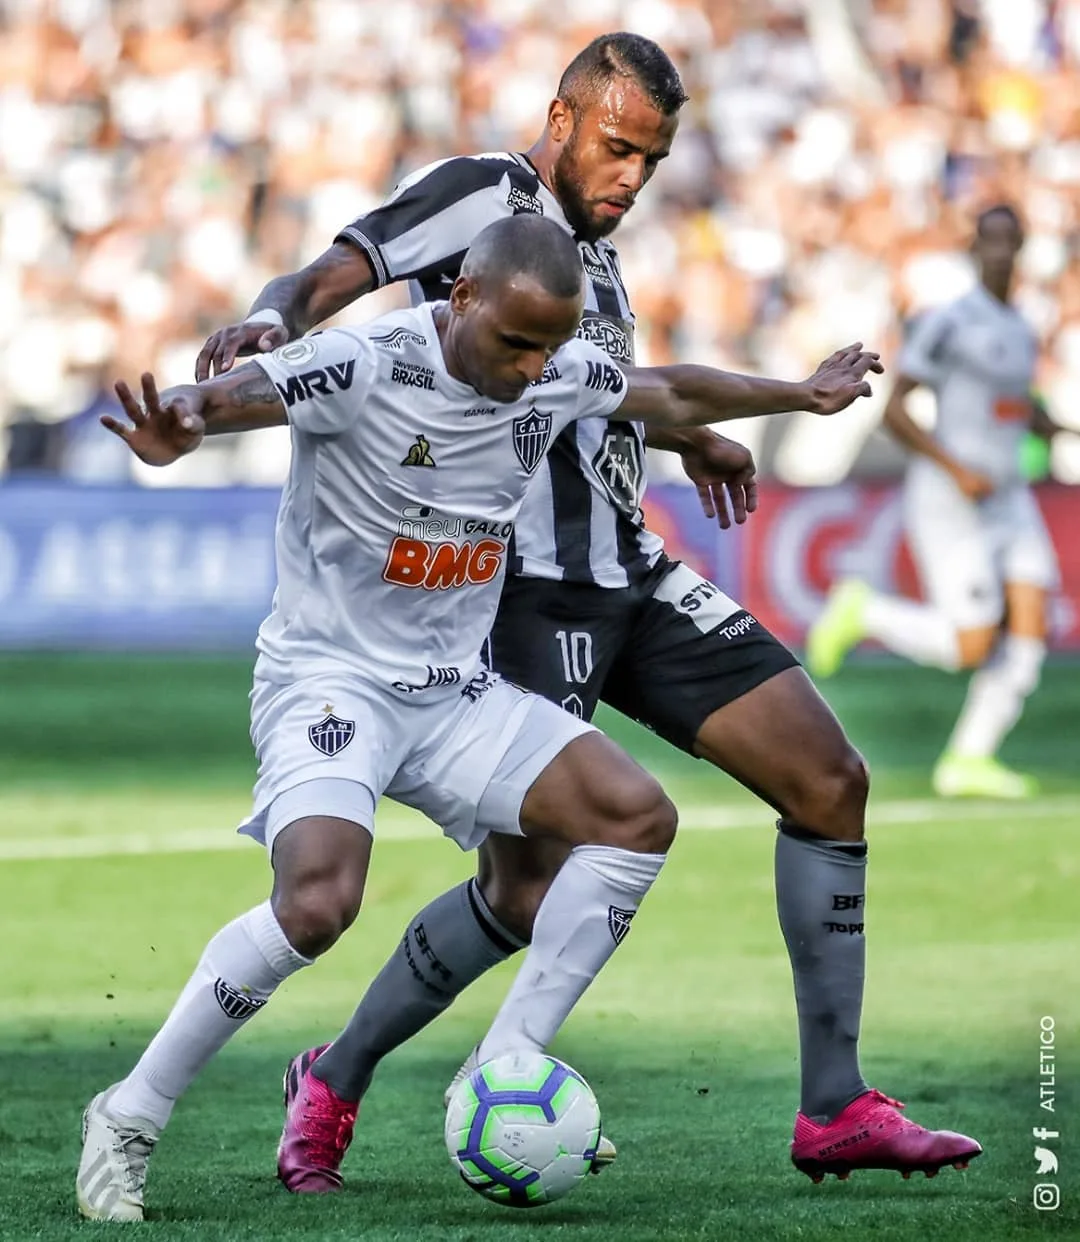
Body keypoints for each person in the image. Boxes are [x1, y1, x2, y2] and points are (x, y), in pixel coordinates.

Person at [198, 33, 980, 1191]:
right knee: (526, 888)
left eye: (652, 161)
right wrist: (272, 324)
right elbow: (337, 271)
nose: (631, 178)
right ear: (562, 120)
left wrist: (682, 428)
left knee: (830, 780)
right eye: (618, 148)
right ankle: (335, 1076)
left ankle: (834, 1108)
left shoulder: (595, 263)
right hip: (517, 593)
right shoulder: (485, 195)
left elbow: (591, 389)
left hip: (633, 569)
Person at [74, 214, 893, 1223]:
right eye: (514, 342)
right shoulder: (366, 360)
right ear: (460, 299)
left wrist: (799, 397)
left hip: (454, 693)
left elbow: (669, 391)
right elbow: (237, 395)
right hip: (332, 683)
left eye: (549, 347)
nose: (530, 367)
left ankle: (507, 1058)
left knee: (634, 817)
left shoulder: (547, 369)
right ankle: (129, 1114)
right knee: (319, 905)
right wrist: (182, 423)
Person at [808, 204, 1062, 799]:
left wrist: (1048, 426)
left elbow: (1017, 406)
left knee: (1029, 628)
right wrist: (956, 467)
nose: (999, 252)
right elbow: (896, 409)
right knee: (972, 645)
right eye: (989, 241)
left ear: (1021, 249)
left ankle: (968, 760)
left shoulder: (1022, 329)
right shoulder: (947, 322)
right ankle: (863, 609)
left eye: (1010, 241)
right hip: (953, 498)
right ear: (975, 249)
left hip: (1009, 498)